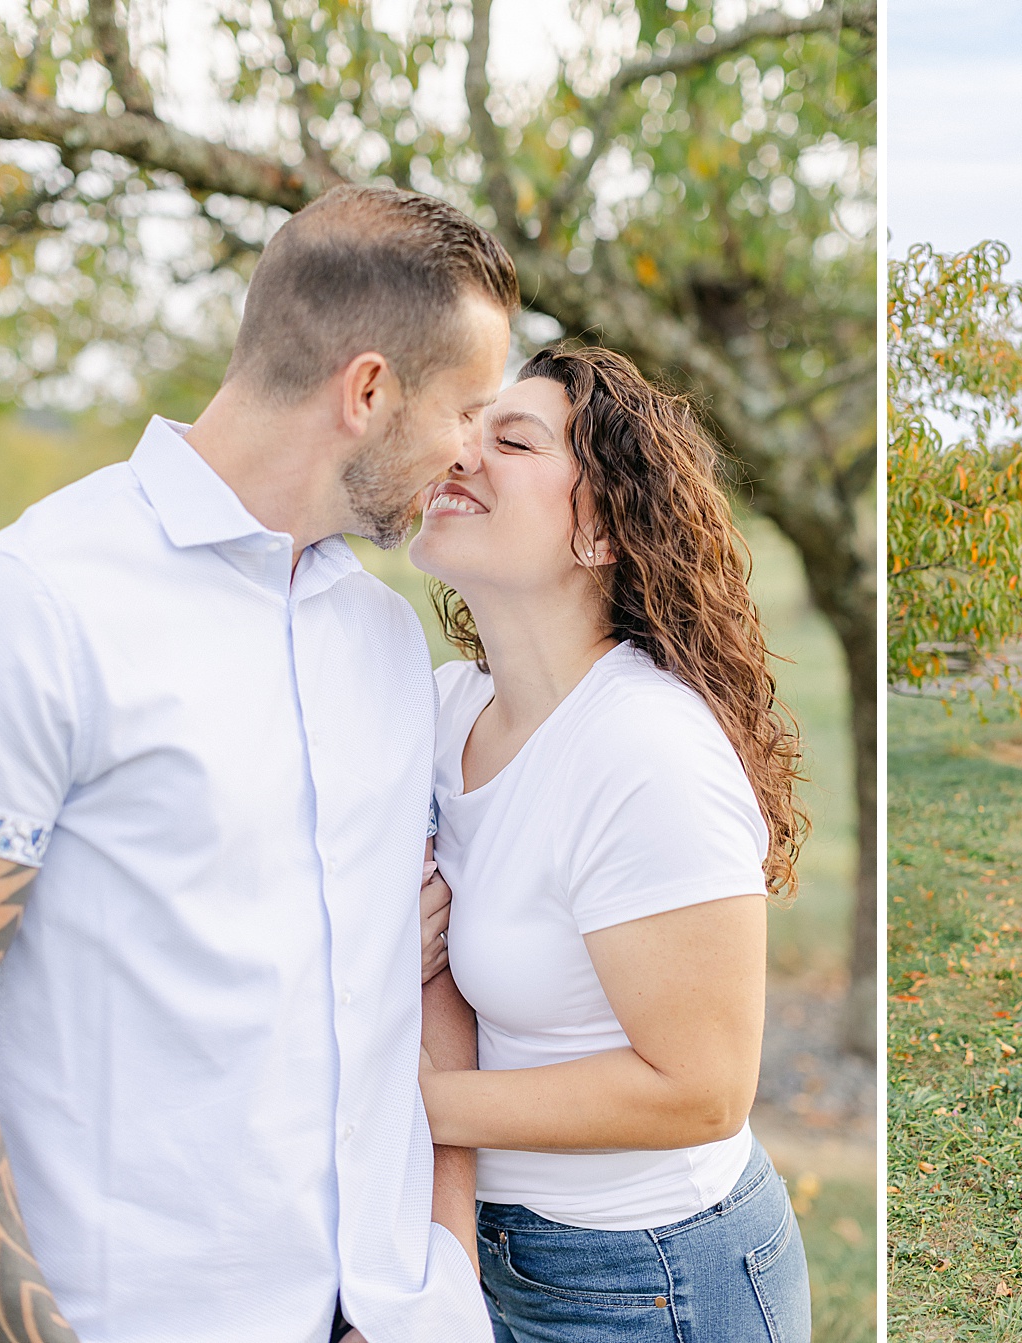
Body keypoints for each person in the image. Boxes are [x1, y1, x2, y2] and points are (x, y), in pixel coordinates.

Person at [0, 184, 513, 1342]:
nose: (476, 453)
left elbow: (409, 982)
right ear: (368, 391)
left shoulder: (380, 639)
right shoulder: (38, 601)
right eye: (470, 410)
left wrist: (434, 1279)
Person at [410, 346, 813, 1342]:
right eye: (467, 430)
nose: (462, 454)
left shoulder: (644, 749)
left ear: (599, 528)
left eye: (513, 439)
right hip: (499, 1245)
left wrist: (416, 1103)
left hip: (655, 1275)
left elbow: (704, 1089)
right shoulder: (439, 710)